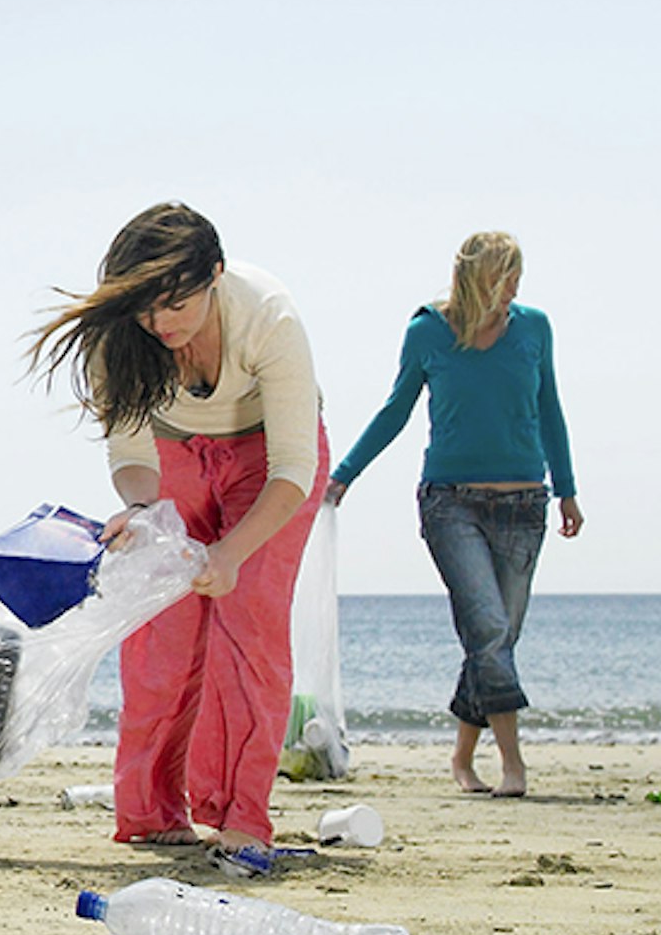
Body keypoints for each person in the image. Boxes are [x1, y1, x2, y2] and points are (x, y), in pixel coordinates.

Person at [30, 203, 323, 868]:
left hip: (268, 464)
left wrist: (230, 554)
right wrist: (142, 513)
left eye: (177, 305)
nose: (161, 324)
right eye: (146, 309)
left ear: (215, 275)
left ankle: (239, 814)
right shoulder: (121, 336)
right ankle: (153, 812)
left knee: (248, 626)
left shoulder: (268, 315)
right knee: (163, 630)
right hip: (172, 459)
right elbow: (129, 455)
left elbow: (295, 469)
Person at [330, 229, 583, 796]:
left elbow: (550, 409)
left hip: (525, 503)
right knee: (489, 629)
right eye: (506, 274)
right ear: (479, 277)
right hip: (451, 503)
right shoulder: (427, 332)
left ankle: (462, 757)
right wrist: (345, 473)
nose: (515, 286)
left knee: (493, 639)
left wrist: (566, 488)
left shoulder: (535, 327)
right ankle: (513, 765)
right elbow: (396, 409)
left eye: (518, 274)